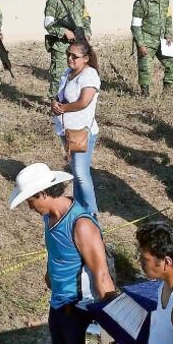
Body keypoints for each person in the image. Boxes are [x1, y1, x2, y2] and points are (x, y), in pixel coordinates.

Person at [8, 163, 131, 344]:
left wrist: (112, 317)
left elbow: (101, 273)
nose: (29, 207)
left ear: (42, 193)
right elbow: (58, 254)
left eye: (30, 200)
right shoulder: (49, 216)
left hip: (81, 308)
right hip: (59, 306)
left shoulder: (81, 224)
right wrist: (50, 275)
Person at [51, 40, 102, 216]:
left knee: (81, 173)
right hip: (66, 130)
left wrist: (62, 108)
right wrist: (54, 103)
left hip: (81, 131)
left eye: (75, 56)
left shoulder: (90, 75)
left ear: (86, 58)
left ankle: (91, 213)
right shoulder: (67, 73)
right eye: (68, 54)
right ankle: (79, 209)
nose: (70, 58)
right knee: (75, 171)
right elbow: (60, 95)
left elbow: (83, 102)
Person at [44, 0, 92, 98]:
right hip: (61, 45)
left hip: (77, 44)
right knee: (58, 75)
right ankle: (54, 102)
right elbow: (48, 23)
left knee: (77, 73)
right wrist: (63, 31)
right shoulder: (55, 0)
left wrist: (87, 34)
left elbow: (86, 17)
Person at [131, 0, 173, 96]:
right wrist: (140, 44)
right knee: (145, 68)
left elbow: (168, 17)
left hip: (162, 41)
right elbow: (135, 26)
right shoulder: (141, 3)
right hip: (146, 41)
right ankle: (145, 94)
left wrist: (168, 34)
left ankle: (166, 93)